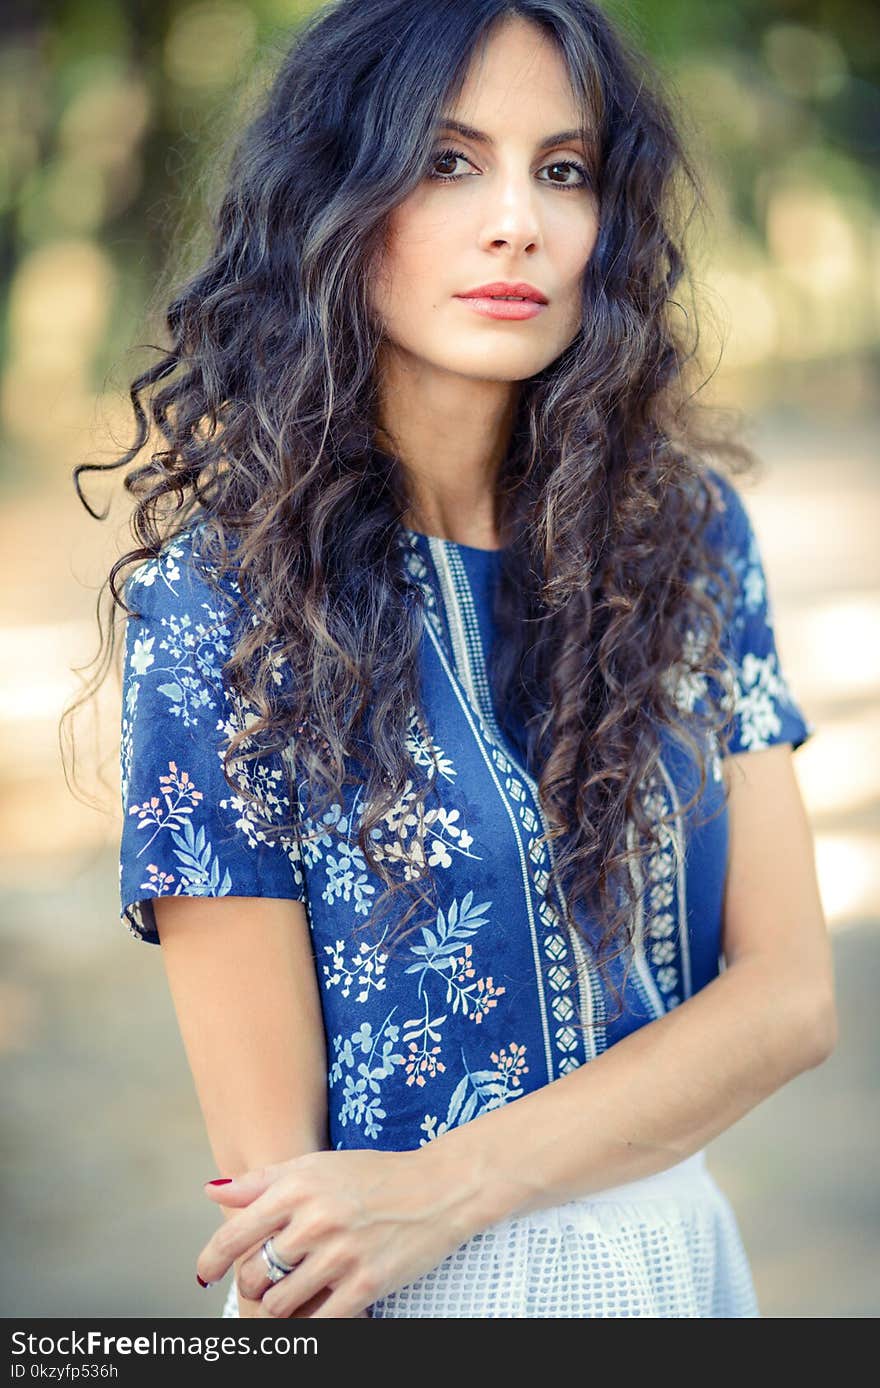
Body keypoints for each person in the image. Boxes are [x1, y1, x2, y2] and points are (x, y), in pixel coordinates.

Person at [107, 0, 836, 1319]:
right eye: (448, 162)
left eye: (564, 169)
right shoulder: (220, 606)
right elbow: (277, 1187)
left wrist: (461, 1178)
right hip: (401, 1298)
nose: (521, 222)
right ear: (335, 198)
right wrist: (443, 1215)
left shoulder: (684, 541)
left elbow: (788, 998)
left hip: (672, 1266)